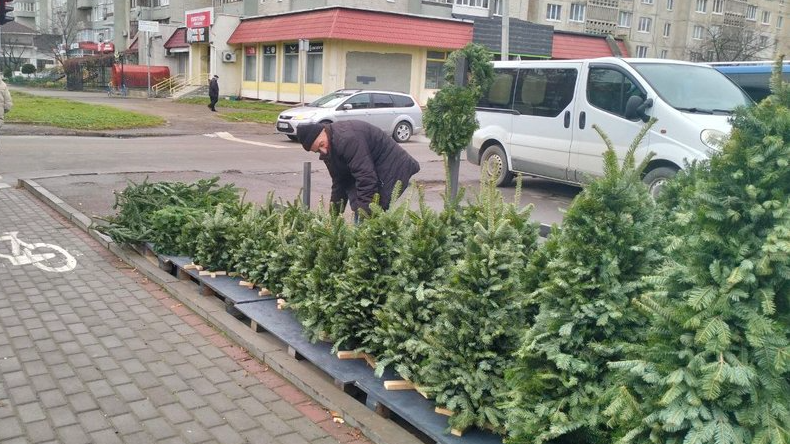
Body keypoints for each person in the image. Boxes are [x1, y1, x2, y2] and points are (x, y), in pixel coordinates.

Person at [297, 120, 420, 217]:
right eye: (317, 150)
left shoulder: (347, 139)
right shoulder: (329, 150)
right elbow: (339, 183)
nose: (323, 151)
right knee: (361, 207)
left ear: (323, 131)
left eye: (321, 145)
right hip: (371, 171)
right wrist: (333, 220)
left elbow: (366, 177)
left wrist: (365, 215)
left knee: (372, 217)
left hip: (392, 169)